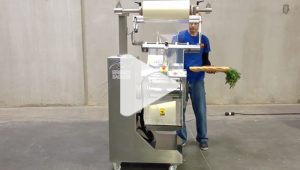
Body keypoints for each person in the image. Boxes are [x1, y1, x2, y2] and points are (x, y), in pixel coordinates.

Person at [176, 20, 213, 151]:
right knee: (180, 110)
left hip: (198, 79)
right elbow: (173, 55)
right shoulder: (179, 37)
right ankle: (181, 138)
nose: (192, 26)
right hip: (182, 79)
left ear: (199, 24)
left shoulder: (204, 39)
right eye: (190, 23)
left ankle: (202, 138)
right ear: (188, 23)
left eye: (195, 23)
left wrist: (209, 67)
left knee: (201, 110)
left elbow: (205, 59)